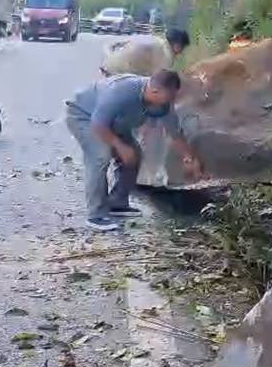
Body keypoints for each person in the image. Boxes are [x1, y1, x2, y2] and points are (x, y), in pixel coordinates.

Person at [65, 69, 204, 232]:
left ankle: (117, 203)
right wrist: (119, 146)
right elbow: (98, 124)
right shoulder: (122, 92)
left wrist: (189, 158)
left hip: (115, 123)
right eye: (169, 97)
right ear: (154, 91)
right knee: (100, 156)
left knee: (134, 154)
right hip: (85, 116)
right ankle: (95, 215)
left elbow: (174, 132)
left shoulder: (163, 104)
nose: (172, 101)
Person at [101, 28, 191, 77]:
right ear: (177, 45)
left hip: (109, 64)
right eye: (182, 48)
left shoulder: (158, 42)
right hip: (118, 74)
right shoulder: (166, 57)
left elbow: (116, 45)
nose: (182, 52)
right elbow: (158, 80)